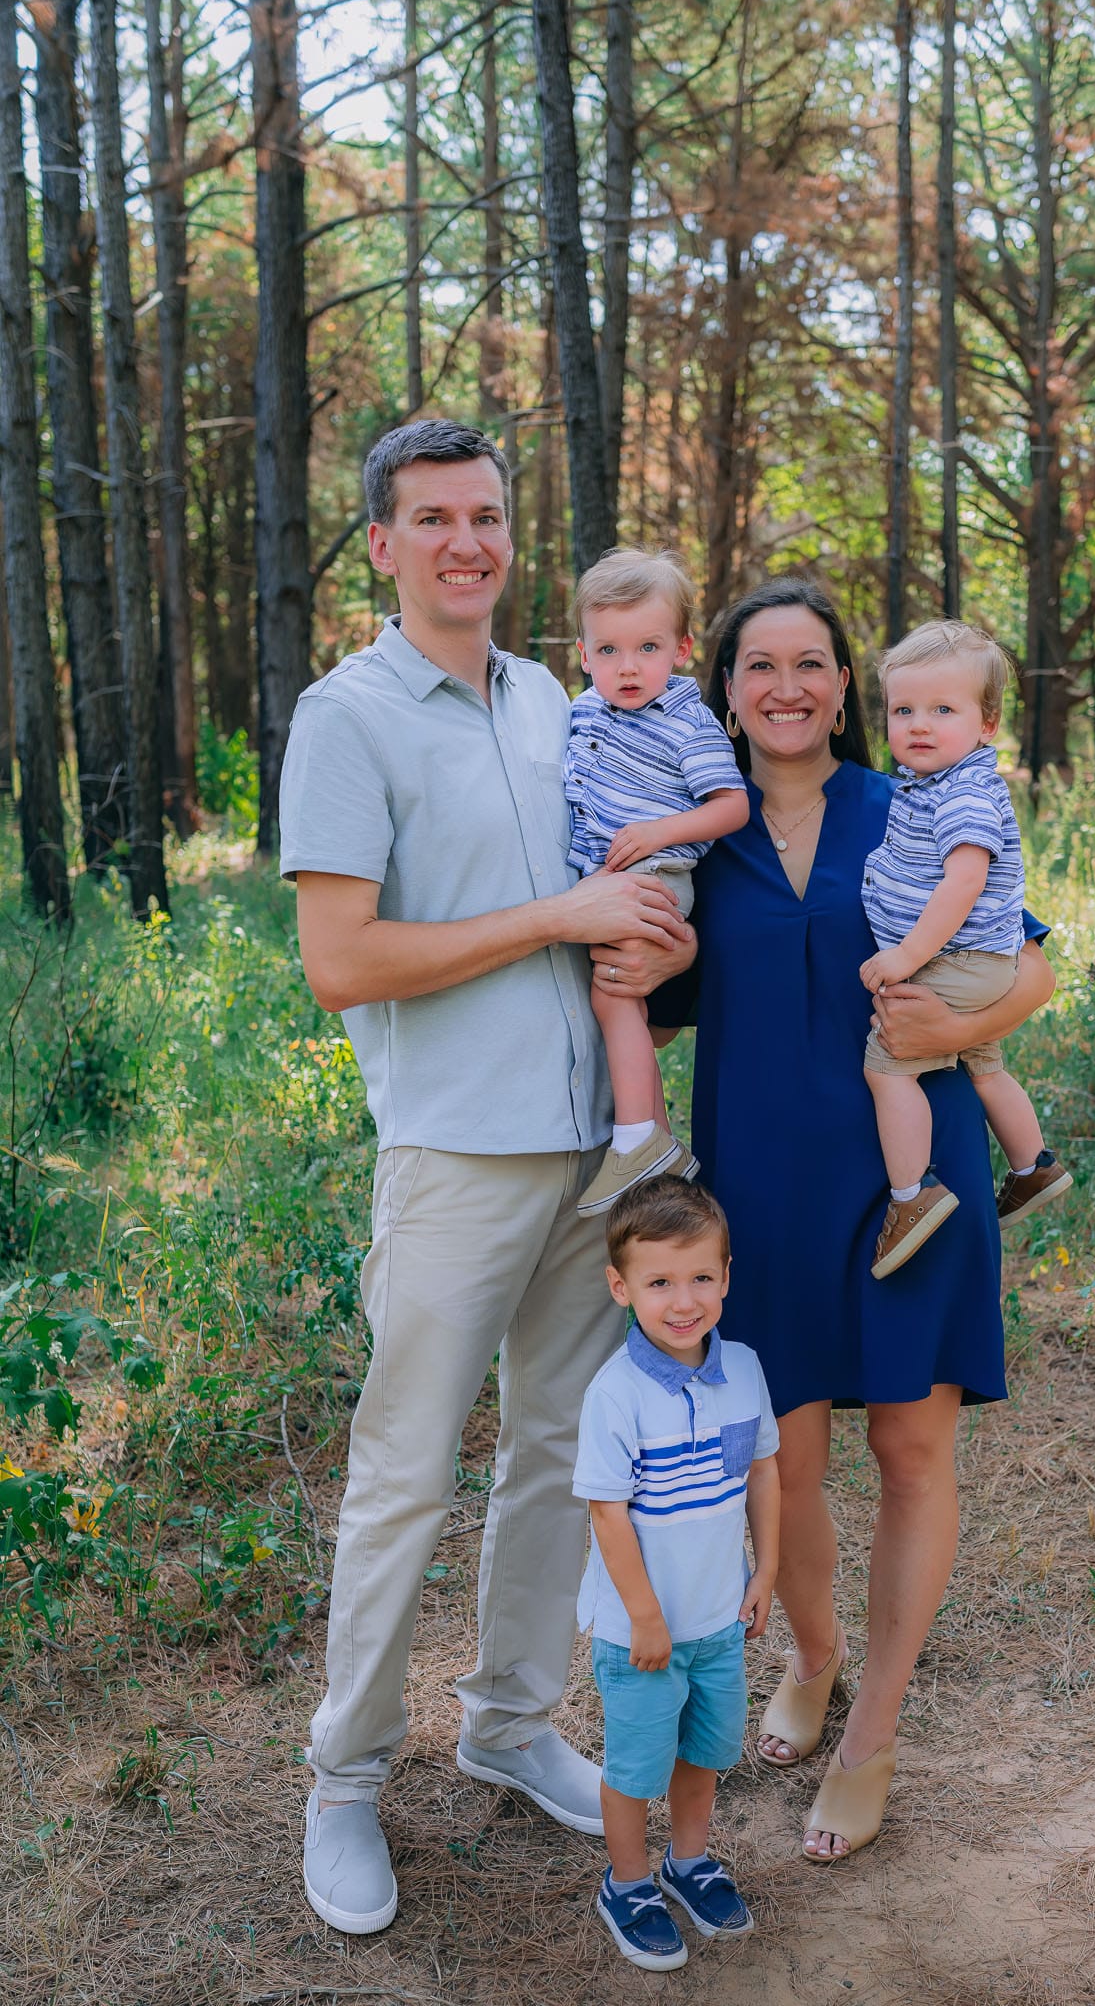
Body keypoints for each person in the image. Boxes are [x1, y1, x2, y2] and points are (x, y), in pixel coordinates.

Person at [278, 419, 692, 1935]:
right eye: (432, 518)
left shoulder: (557, 701)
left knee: (555, 1463)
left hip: (597, 1154)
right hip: (454, 1154)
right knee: (403, 1479)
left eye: (489, 516)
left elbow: (614, 901)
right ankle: (344, 1782)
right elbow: (341, 961)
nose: (466, 541)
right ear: (381, 545)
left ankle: (512, 1724)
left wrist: (650, 933)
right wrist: (550, 915)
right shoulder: (348, 716)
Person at [596, 578, 1056, 1863]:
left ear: (847, 685)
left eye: (810, 663)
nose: (785, 686)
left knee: (911, 1450)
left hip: (913, 1175)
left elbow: (1031, 963)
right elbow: (637, 974)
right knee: (783, 1464)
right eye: (757, 666)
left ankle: (874, 1730)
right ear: (721, 687)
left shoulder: (916, 797)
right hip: (757, 1191)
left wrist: (957, 1027)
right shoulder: (689, 836)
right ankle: (812, 1656)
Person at [575, 1175, 779, 1970]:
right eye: (659, 1282)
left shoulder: (746, 1371)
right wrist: (646, 1617)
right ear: (621, 1287)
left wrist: (764, 1573)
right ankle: (626, 1883)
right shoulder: (615, 1394)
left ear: (726, 1277)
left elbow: (764, 1471)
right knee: (635, 1767)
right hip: (641, 1634)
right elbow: (606, 1513)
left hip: (718, 1620)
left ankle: (687, 1864)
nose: (683, 1300)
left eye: (700, 1277)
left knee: (704, 1755)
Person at [861, 621, 1071, 1277]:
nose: (918, 725)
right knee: (984, 1063)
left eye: (941, 710)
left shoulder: (962, 791)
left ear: (986, 723)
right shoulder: (933, 784)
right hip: (979, 963)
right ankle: (1031, 1166)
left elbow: (963, 883)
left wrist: (903, 955)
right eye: (903, 710)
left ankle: (911, 1194)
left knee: (886, 1066)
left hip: (955, 961)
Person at [564, 549, 748, 1217]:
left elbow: (732, 806)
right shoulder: (584, 711)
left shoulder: (683, 720)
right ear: (583, 653)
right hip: (608, 874)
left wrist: (659, 832)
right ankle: (649, 1134)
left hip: (656, 872)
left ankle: (640, 1136)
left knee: (613, 996)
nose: (628, 666)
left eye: (647, 647)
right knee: (615, 1000)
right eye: (608, 649)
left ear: (681, 648)